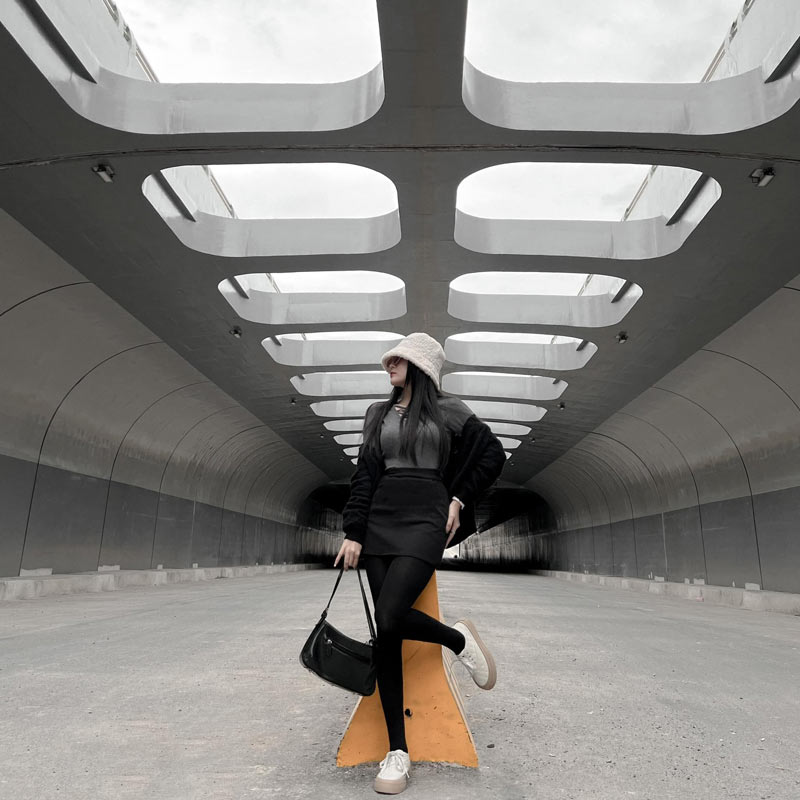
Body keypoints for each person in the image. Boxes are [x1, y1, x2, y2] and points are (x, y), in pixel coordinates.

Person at [334, 332, 506, 795]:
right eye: (389, 358)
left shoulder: (448, 410)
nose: (388, 364)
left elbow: (492, 454)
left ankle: (456, 640)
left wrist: (458, 498)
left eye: (399, 359)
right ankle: (398, 750)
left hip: (427, 514)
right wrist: (354, 531)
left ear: (422, 367)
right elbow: (364, 474)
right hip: (379, 521)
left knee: (392, 614)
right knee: (386, 634)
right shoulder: (377, 414)